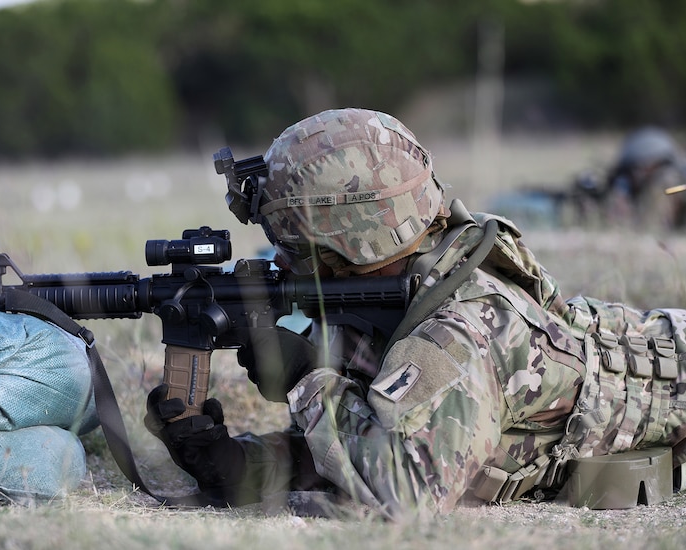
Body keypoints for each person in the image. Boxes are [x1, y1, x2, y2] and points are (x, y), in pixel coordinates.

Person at [144, 108, 686, 520]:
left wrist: (309, 377)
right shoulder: (400, 285)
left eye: (291, 242)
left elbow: (407, 494)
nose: (280, 258)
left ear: (352, 242)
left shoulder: (458, 330)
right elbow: (361, 445)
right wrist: (233, 466)